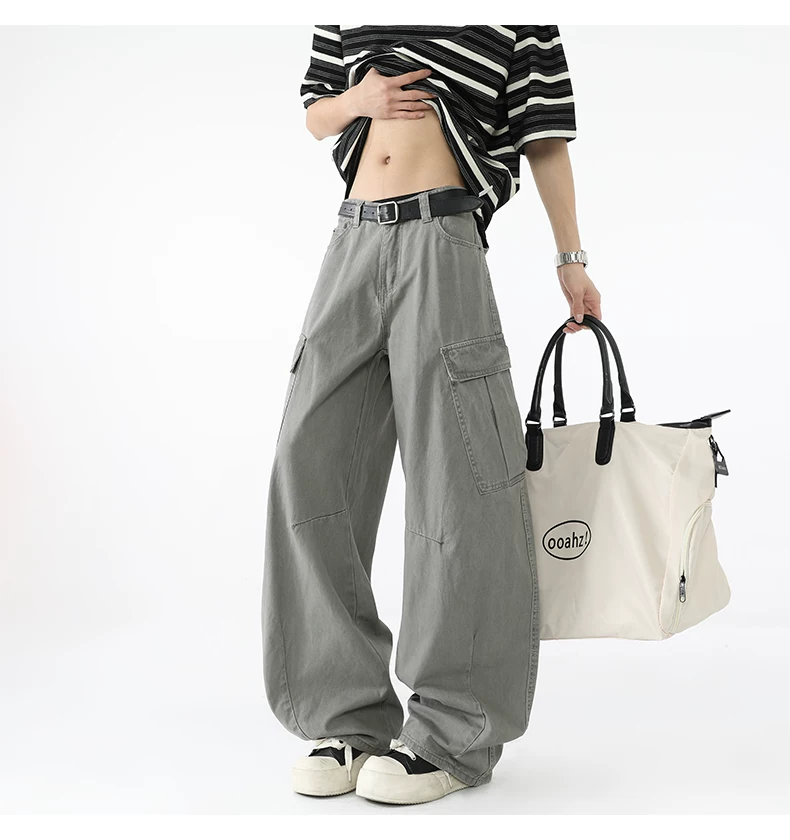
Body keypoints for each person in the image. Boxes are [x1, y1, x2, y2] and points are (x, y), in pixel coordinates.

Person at [262, 25, 602, 806]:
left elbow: (544, 138)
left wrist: (571, 259)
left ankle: (455, 733)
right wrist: (361, 99)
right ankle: (346, 716)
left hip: (443, 238)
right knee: (309, 467)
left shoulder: (518, 19)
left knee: (460, 484)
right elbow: (317, 114)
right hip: (352, 240)